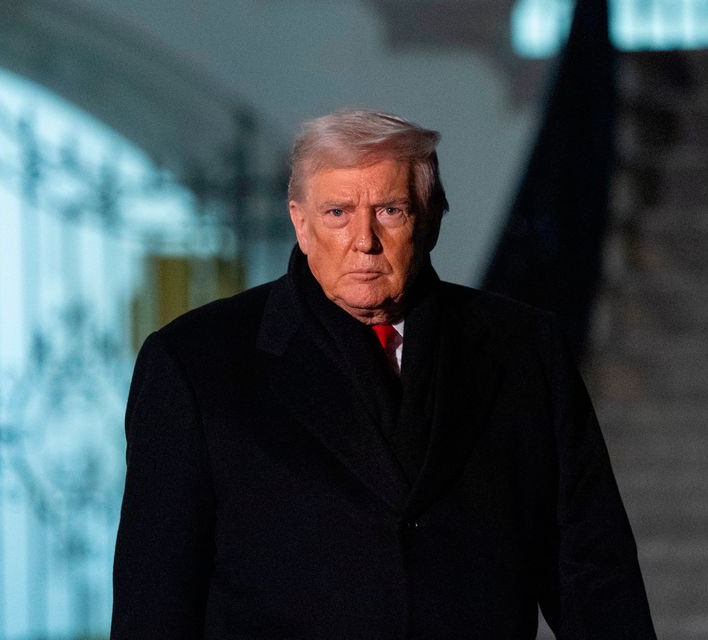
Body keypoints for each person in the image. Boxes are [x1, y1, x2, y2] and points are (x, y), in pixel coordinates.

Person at [111, 109, 656, 639]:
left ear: (431, 217)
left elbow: (590, 569)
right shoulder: (195, 365)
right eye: (338, 213)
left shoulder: (523, 350)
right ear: (300, 223)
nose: (364, 241)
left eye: (390, 210)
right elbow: (155, 604)